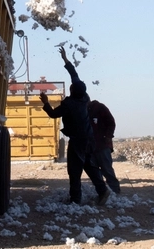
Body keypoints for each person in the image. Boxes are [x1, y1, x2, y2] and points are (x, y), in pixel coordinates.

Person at [40, 46, 109, 205]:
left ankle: (75, 200)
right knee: (89, 165)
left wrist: (46, 102)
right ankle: (103, 190)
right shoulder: (84, 97)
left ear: (71, 91)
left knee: (74, 170)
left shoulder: (69, 104)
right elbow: (74, 75)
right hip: (88, 138)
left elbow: (52, 114)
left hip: (77, 141)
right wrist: (65, 59)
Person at [88, 99, 121, 194]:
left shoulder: (99, 108)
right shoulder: (83, 110)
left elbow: (111, 122)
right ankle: (102, 192)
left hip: (102, 146)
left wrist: (108, 136)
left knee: (107, 170)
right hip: (90, 148)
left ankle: (115, 191)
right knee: (95, 172)